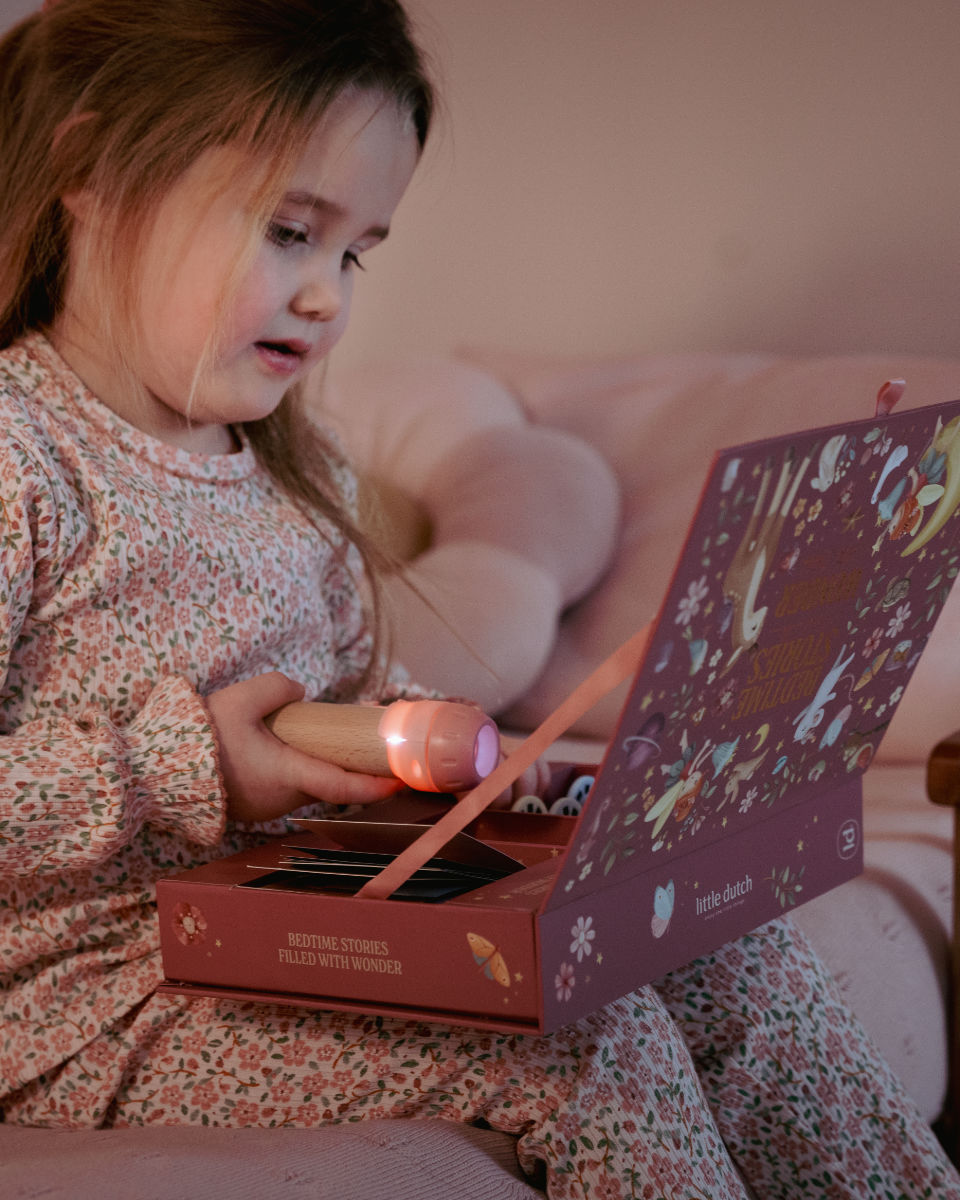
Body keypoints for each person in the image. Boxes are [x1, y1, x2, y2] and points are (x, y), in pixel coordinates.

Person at [0, 2, 956, 1197]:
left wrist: (470, 767)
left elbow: (349, 713)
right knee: (586, 1049)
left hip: (293, 929)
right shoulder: (21, 456)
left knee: (730, 948)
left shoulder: (300, 476)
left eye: (355, 253)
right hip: (79, 998)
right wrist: (191, 767)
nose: (326, 297)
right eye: (291, 232)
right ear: (92, 171)